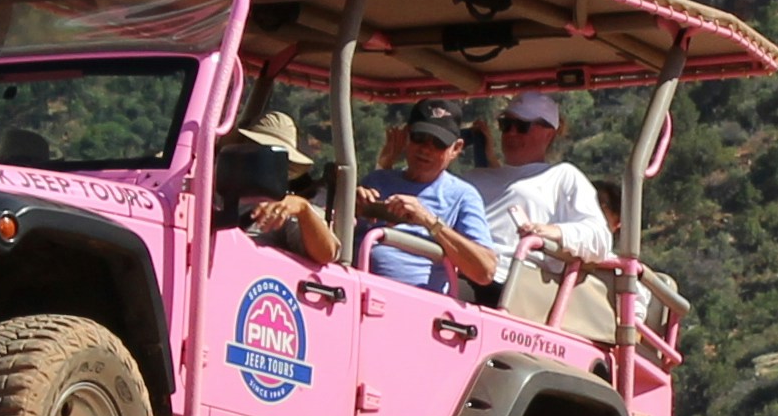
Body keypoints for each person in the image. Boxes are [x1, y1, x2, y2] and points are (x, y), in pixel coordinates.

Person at [356, 101, 501, 294]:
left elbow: (485, 271)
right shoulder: (377, 180)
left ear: (456, 149)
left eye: (439, 143)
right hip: (356, 286)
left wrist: (428, 221)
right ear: (408, 137)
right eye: (419, 138)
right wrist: (351, 207)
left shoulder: (463, 196)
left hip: (417, 302)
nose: (426, 149)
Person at [480, 90, 615, 273]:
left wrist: (554, 231)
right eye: (506, 124)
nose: (511, 133)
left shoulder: (563, 176)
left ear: (549, 134)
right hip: (459, 265)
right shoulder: (473, 177)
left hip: (510, 276)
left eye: (522, 126)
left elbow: (599, 239)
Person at [215, 109, 339, 266]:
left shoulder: (286, 210)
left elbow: (326, 253)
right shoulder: (209, 189)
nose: (259, 163)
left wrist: (303, 210)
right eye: (253, 150)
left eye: (270, 159)